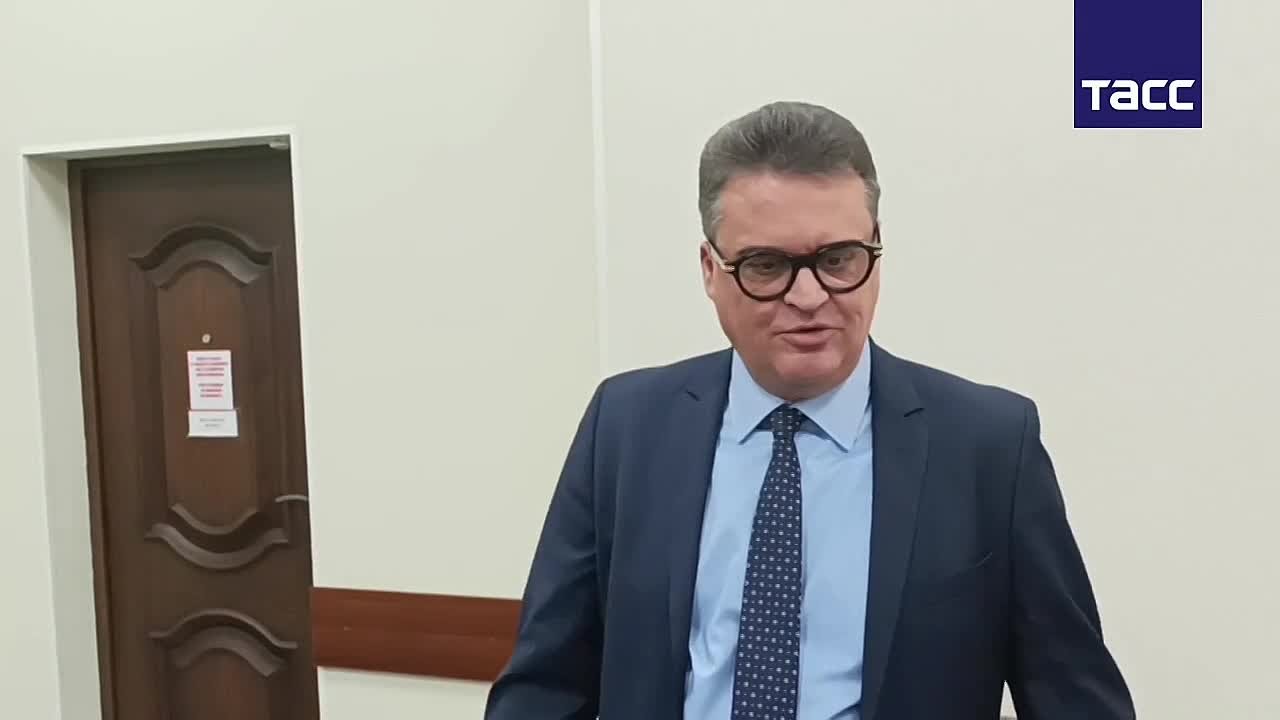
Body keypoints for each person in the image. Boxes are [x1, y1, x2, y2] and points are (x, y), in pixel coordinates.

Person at [483, 101, 1135, 720]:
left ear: (876, 249)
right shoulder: (627, 428)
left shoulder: (988, 447)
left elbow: (1075, 701)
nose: (808, 296)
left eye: (838, 260)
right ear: (710, 269)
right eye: (766, 265)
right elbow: (545, 688)